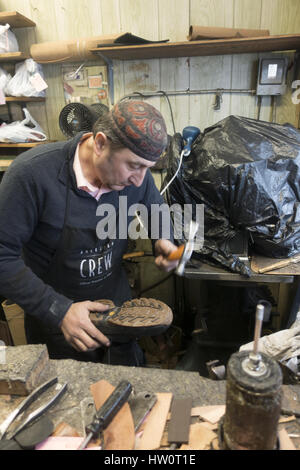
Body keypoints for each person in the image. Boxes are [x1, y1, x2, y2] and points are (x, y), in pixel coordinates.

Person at [0, 99, 179, 365]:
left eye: (147, 168)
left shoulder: (133, 179)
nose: (140, 180)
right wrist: (59, 311)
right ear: (99, 143)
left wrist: (163, 239)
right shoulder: (31, 175)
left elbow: (155, 206)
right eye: (133, 166)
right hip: (58, 323)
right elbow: (3, 257)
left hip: (119, 316)